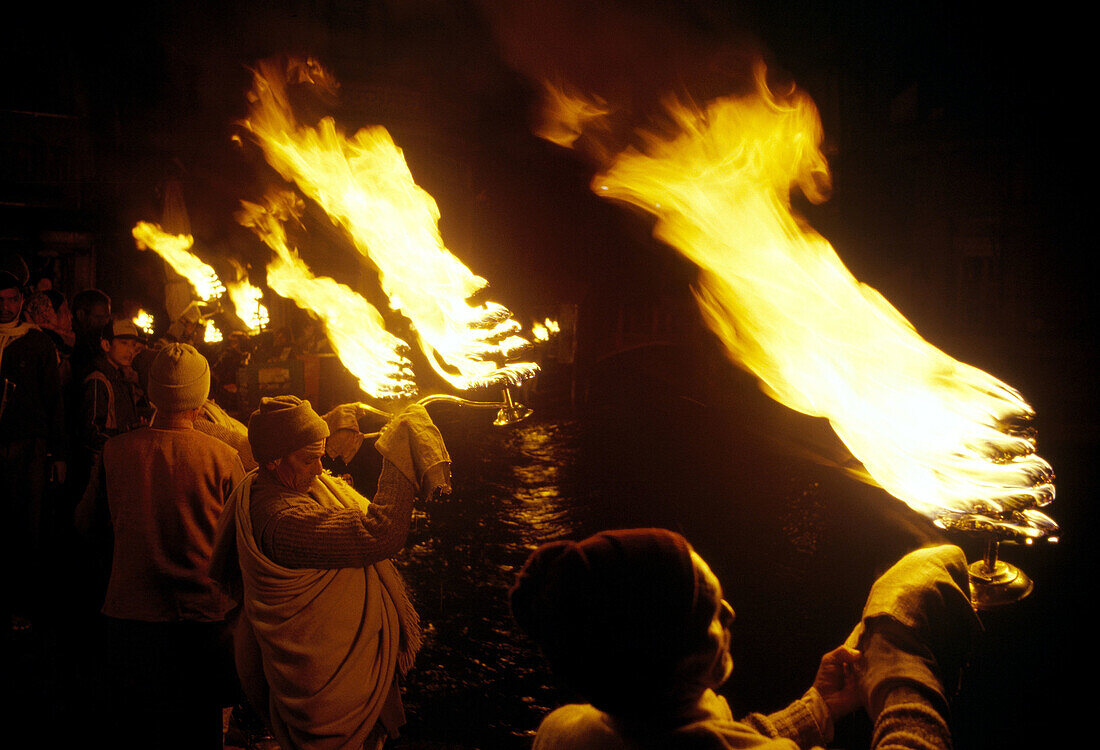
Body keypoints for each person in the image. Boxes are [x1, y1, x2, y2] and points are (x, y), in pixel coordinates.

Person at [510, 529, 979, 750]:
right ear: (678, 661)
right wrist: (902, 653)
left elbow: (700, 741)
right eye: (711, 615)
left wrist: (816, 707)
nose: (731, 613)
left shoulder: (562, 732)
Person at [211, 395, 451, 750]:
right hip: (328, 693)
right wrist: (398, 452)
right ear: (274, 461)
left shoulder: (261, 479)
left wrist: (329, 424)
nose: (322, 470)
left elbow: (281, 440)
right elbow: (379, 532)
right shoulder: (282, 521)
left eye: (322, 455)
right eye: (311, 459)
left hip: (332, 676)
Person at [95, 342, 246, 748]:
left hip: (131, 615)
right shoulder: (224, 456)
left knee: (138, 729)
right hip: (203, 618)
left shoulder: (115, 451)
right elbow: (239, 545)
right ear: (201, 396)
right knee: (199, 729)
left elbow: (85, 524)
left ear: (151, 391)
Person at [0, 270, 65, 631]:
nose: (6, 307)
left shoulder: (35, 343)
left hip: (29, 446)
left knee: (28, 525)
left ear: (21, 301)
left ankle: (25, 606)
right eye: (0, 300)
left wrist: (59, 454)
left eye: (12, 299)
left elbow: (53, 400)